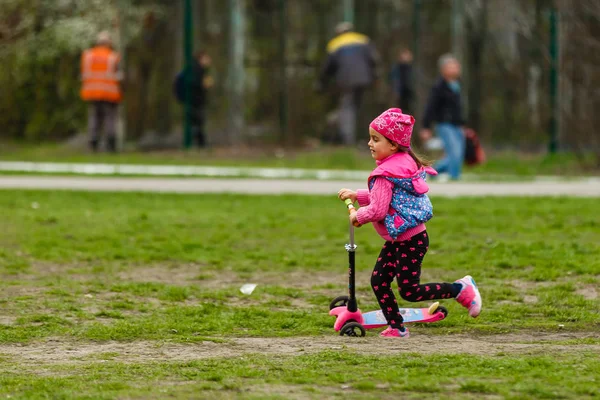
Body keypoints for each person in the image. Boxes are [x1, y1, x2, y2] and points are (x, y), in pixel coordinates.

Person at [338, 108, 482, 338]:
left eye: (376, 139)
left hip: (410, 240)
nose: (369, 143)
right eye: (370, 138)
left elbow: (378, 209)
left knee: (410, 290)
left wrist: (359, 215)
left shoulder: (386, 173)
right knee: (379, 281)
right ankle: (397, 326)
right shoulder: (401, 164)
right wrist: (358, 195)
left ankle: (460, 289)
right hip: (403, 237)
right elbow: (388, 197)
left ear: (393, 145)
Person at [318, 22, 378, 146]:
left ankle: (348, 140)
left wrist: (321, 82)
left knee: (347, 107)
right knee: (358, 106)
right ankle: (367, 138)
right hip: (364, 79)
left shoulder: (335, 44)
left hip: (346, 80)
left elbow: (327, 67)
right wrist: (374, 77)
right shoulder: (363, 40)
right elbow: (374, 59)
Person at [420, 54, 465, 180]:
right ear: (443, 69)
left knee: (458, 153)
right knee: (453, 152)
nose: (455, 69)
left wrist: (462, 124)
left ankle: (431, 172)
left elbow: (458, 109)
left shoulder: (456, 85)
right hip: (445, 124)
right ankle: (453, 176)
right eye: (451, 66)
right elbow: (431, 107)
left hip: (456, 124)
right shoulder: (439, 87)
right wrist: (426, 126)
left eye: (456, 66)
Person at [80, 31, 123, 152]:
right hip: (109, 93)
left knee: (94, 118)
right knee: (110, 118)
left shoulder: (88, 55)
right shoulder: (113, 56)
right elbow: (119, 75)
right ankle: (111, 144)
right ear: (108, 43)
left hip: (92, 93)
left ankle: (93, 143)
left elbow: (84, 74)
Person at [174, 51, 214, 148]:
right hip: (194, 101)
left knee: (198, 122)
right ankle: (200, 144)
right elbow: (194, 83)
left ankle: (200, 143)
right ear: (201, 59)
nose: (209, 60)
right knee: (197, 122)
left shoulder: (201, 70)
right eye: (206, 58)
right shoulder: (196, 69)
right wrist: (203, 84)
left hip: (196, 100)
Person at [389, 48, 414, 114]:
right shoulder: (396, 68)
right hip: (400, 95)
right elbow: (395, 81)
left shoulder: (412, 68)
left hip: (410, 95)